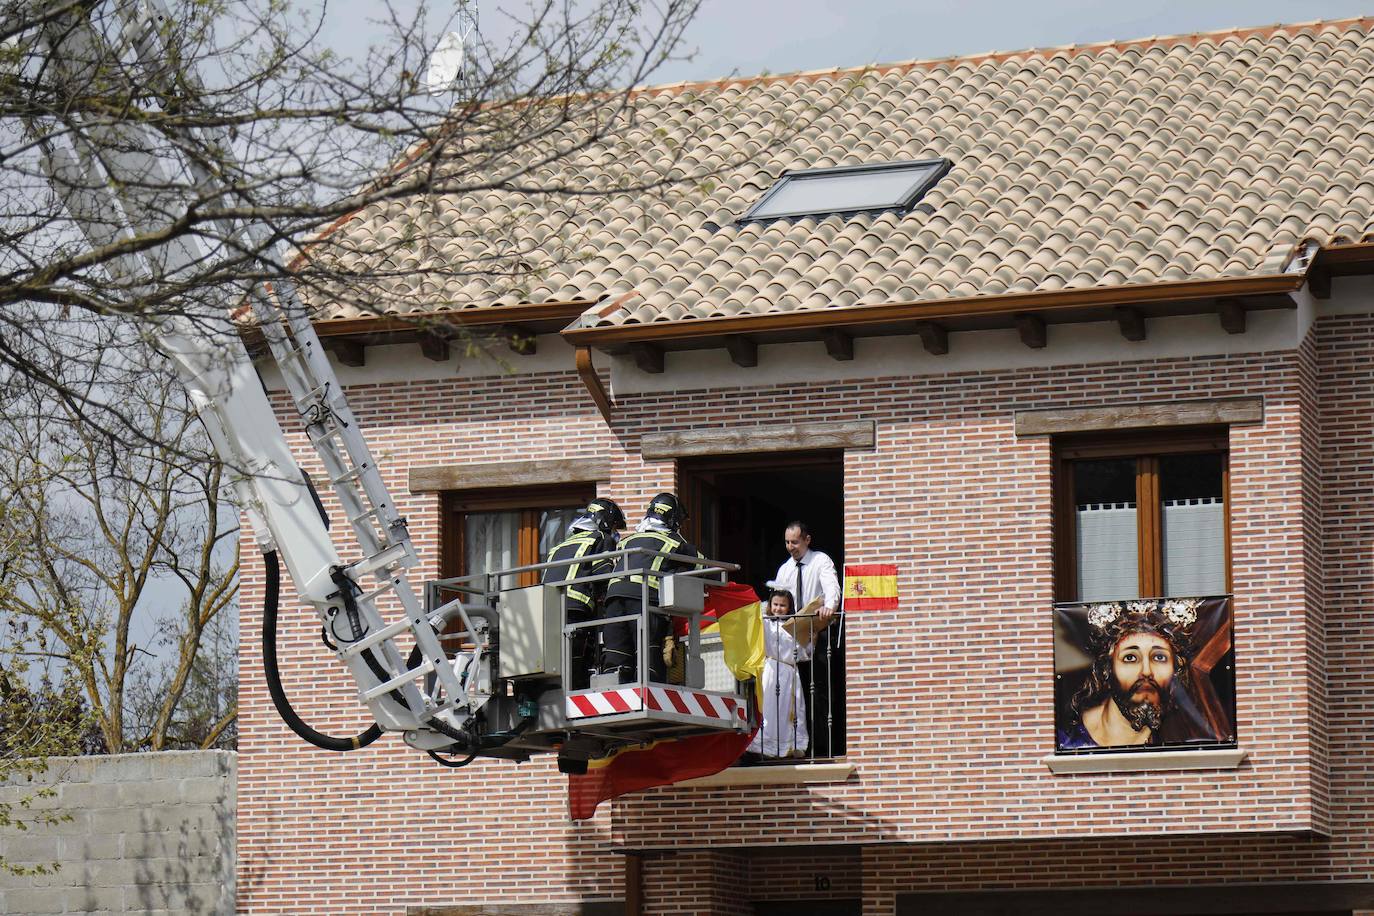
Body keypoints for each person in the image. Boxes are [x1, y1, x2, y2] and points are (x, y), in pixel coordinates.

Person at [1058, 601, 1203, 750]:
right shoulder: (1063, 739)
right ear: (1106, 669)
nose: (1146, 671)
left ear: (1175, 671)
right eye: (1130, 658)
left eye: (1159, 657)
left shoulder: (1184, 740)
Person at [601, 493, 705, 684]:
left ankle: (615, 693)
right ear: (673, 519)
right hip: (643, 601)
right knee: (647, 655)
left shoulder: (628, 540)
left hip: (613, 600)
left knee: (617, 654)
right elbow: (704, 567)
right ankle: (647, 694)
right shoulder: (675, 542)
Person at [770, 521, 842, 756]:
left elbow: (831, 587)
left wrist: (829, 607)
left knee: (820, 692)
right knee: (795, 693)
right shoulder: (784, 569)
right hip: (793, 640)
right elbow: (778, 600)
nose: (790, 547)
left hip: (818, 635)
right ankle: (797, 744)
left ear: (807, 540)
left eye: (795, 542)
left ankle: (823, 746)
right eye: (787, 542)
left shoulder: (820, 560)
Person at [541, 498, 626, 690]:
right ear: (605, 522)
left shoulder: (560, 546)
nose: (615, 533)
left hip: (548, 609)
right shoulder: (601, 539)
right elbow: (604, 576)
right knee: (577, 662)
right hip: (575, 609)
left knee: (556, 659)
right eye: (614, 527)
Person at [748, 588, 817, 758]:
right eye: (776, 604)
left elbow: (802, 653)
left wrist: (812, 641)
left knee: (792, 710)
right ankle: (764, 747)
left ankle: (792, 746)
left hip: (790, 672)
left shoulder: (793, 626)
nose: (778, 608)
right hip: (771, 670)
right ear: (770, 606)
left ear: (789, 607)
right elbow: (755, 611)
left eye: (783, 605)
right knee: (770, 708)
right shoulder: (766, 623)